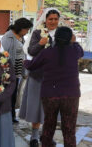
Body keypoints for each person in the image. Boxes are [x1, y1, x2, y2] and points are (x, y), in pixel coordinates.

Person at [24, 26, 83, 147]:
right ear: (69, 38)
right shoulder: (75, 50)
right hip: (71, 95)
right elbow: (81, 50)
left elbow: (31, 66)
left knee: (49, 126)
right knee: (69, 129)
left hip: (50, 95)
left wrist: (23, 61)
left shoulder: (47, 52)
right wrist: (74, 40)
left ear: (55, 37)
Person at [20, 8, 60, 147]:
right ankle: (34, 137)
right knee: (37, 107)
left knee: (51, 109)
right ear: (45, 20)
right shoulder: (38, 33)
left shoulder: (62, 34)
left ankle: (47, 136)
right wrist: (41, 44)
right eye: (50, 19)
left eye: (55, 19)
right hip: (38, 76)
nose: (53, 21)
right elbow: (31, 51)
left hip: (55, 78)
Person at [2, 18, 33, 123]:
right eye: (26, 29)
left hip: (17, 72)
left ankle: (11, 115)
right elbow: (4, 55)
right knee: (8, 95)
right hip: (9, 72)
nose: (27, 32)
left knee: (14, 95)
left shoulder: (20, 37)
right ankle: (7, 116)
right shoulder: (8, 37)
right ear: (21, 28)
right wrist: (7, 72)